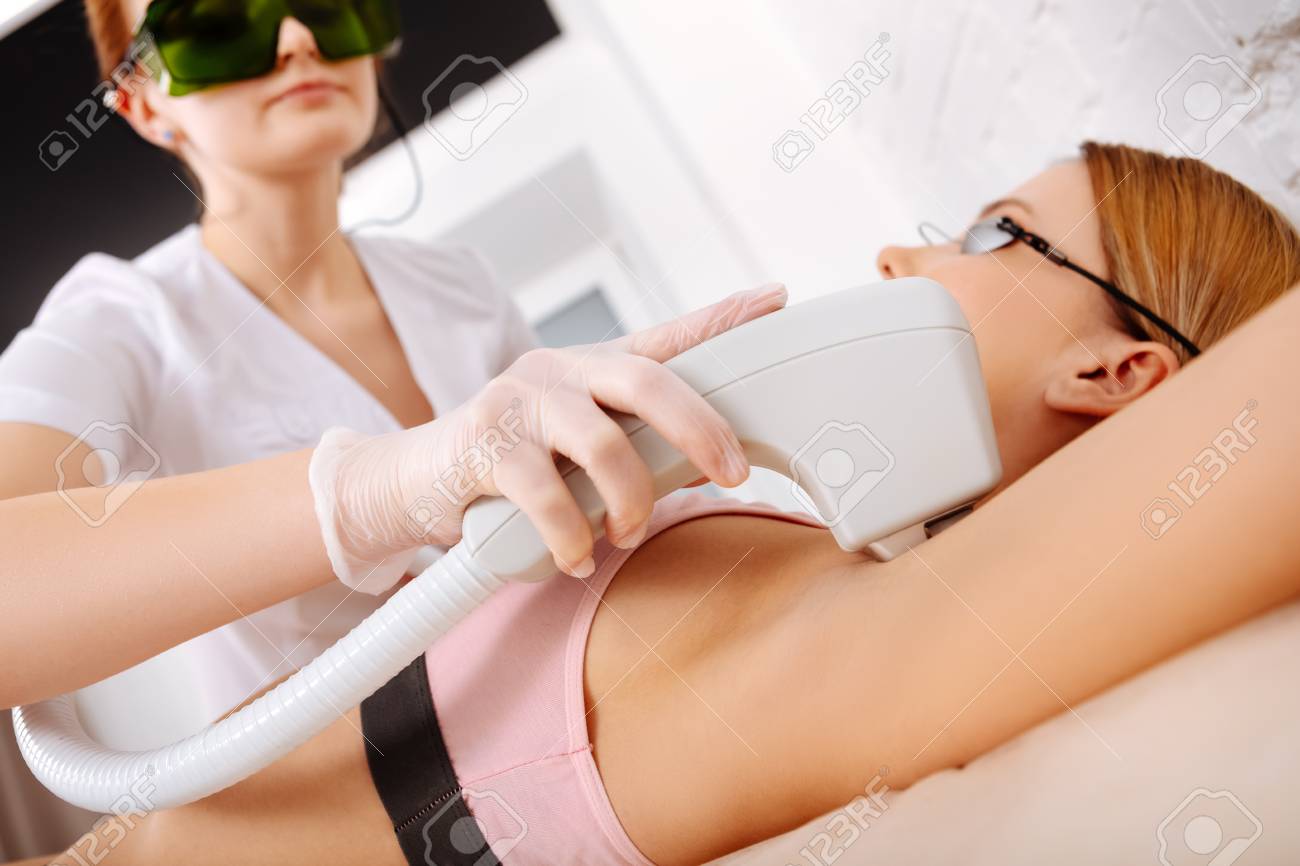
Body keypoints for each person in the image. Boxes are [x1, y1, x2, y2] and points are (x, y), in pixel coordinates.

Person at [30, 142, 1300, 866]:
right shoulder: (782, 545)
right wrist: (401, 483)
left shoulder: (867, 629)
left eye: (992, 233)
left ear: (1121, 372)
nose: (898, 255)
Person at [0, 0, 775, 725]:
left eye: (330, 7)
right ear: (142, 103)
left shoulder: (459, 283)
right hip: (356, 779)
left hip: (587, 692)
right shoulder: (118, 321)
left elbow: (573, 540)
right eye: (220, 23)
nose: (298, 40)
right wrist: (372, 494)